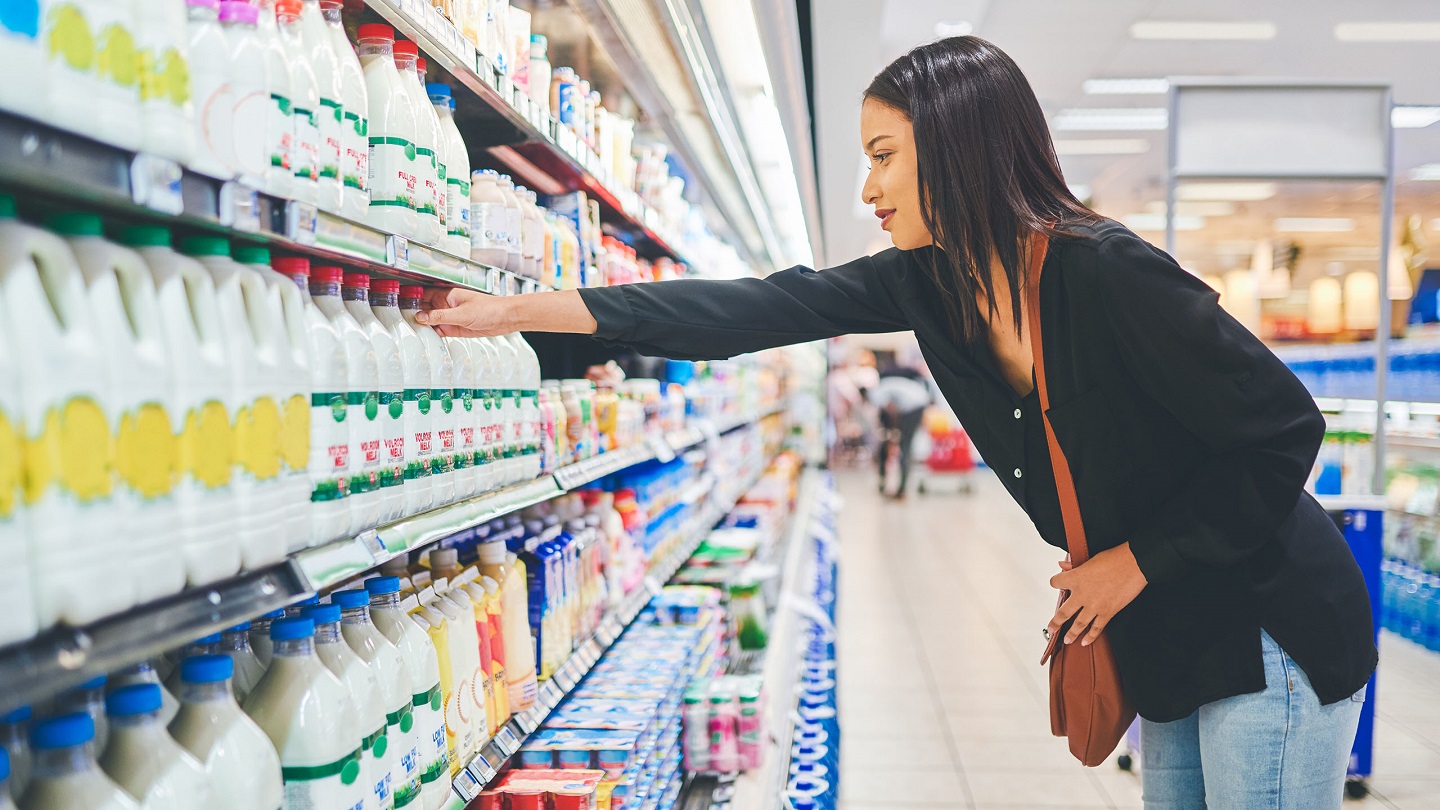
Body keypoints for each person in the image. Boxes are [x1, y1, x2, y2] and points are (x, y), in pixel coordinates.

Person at [416, 36, 1376, 809]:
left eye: (884, 159)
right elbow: (749, 309)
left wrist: (1133, 560)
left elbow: (1285, 431)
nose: (869, 190)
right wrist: (520, 310)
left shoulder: (1104, 271)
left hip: (1265, 617)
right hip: (1155, 628)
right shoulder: (931, 283)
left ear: (957, 152)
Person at [867, 365, 932, 498]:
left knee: (904, 446)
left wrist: (891, 433)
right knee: (900, 444)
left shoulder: (875, 395)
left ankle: (901, 489)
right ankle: (896, 487)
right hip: (916, 403)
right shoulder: (884, 387)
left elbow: (890, 410)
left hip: (913, 406)